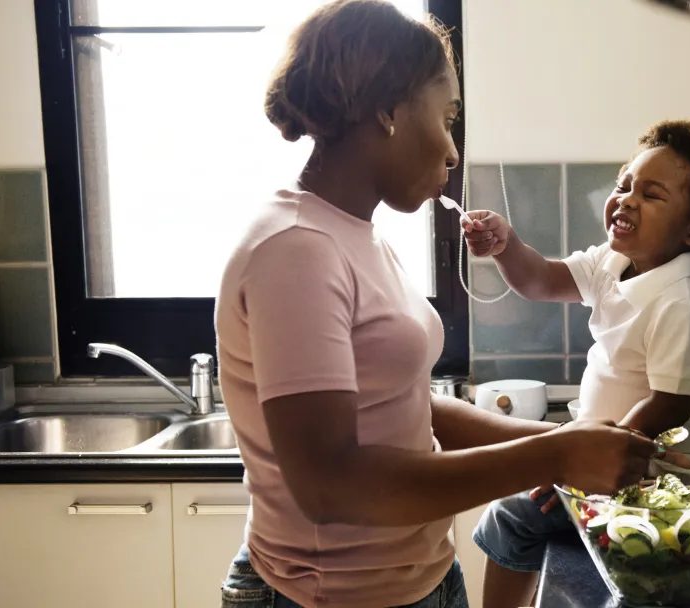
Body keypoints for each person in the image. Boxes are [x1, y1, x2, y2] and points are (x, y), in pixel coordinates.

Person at [214, 2, 666, 607]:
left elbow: (405, 405)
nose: (452, 151)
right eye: (446, 117)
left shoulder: (356, 233)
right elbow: (329, 483)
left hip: (421, 579)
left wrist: (565, 440)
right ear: (387, 111)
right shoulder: (296, 248)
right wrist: (555, 452)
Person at [463, 119, 690, 608]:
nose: (626, 200)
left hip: (647, 482)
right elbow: (541, 281)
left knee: (511, 516)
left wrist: (578, 467)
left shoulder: (681, 303)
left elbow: (667, 407)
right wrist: (506, 246)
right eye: (624, 186)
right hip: (599, 459)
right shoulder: (612, 262)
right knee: (515, 512)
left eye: (652, 195)